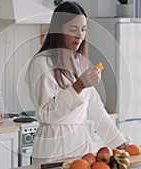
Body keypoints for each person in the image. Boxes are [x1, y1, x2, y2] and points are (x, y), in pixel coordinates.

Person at [26, 1, 128, 164]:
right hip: (53, 148)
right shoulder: (41, 63)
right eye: (72, 29)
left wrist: (120, 142)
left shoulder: (78, 63)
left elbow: (95, 108)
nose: (79, 35)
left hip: (82, 149)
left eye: (83, 29)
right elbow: (46, 112)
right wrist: (78, 86)